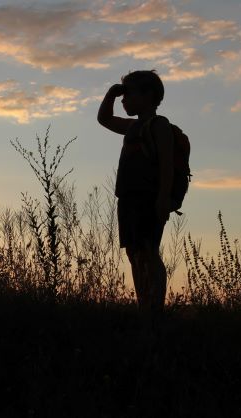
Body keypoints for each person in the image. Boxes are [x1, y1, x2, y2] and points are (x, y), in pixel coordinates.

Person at [97, 70, 174, 330]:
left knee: (148, 251)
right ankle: (145, 305)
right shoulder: (133, 126)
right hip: (128, 199)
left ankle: (155, 309)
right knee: (134, 252)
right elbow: (104, 119)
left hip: (148, 200)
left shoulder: (159, 125)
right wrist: (111, 93)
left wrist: (163, 200)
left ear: (148, 95)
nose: (124, 100)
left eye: (128, 94)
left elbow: (167, 165)